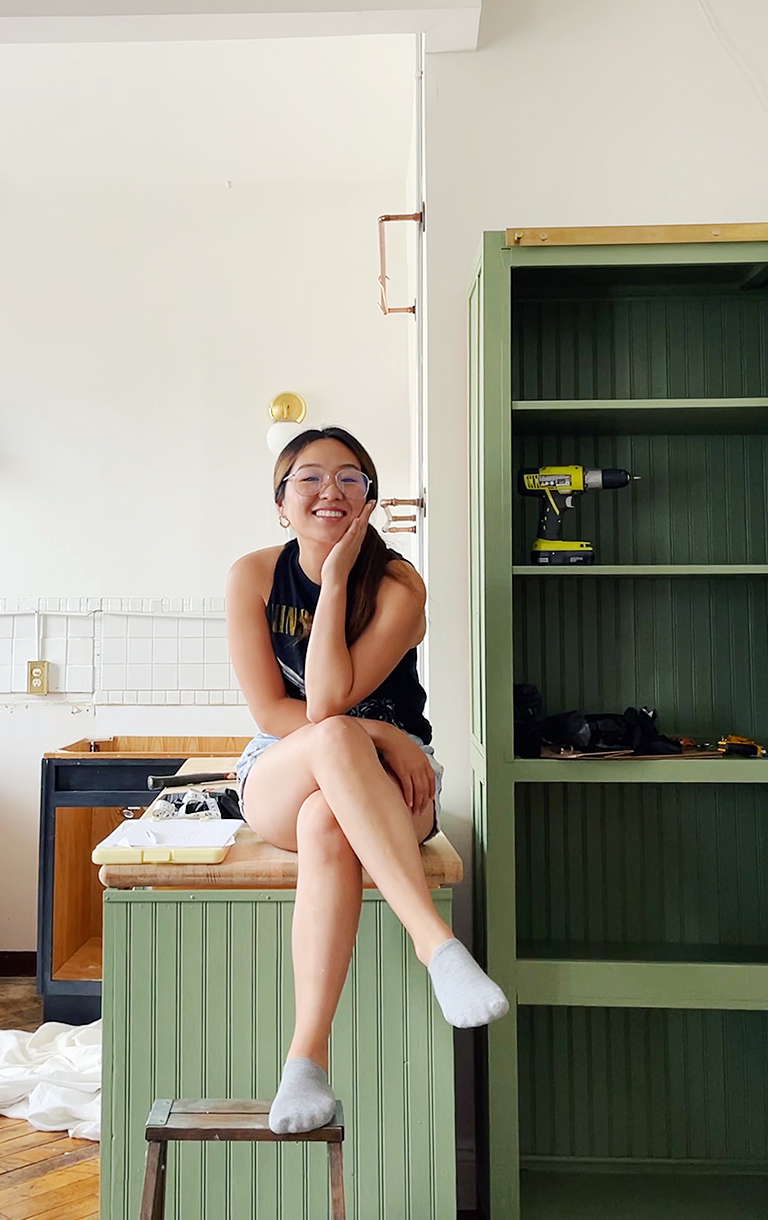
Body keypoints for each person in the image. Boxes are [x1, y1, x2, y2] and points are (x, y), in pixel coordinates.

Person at [226, 426, 508, 1135]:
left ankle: (304, 1061)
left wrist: (347, 575)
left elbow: (328, 704)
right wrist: (376, 729)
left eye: (351, 477)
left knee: (330, 820)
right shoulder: (254, 575)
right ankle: (435, 944)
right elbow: (288, 710)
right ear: (281, 503)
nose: (331, 490)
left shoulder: (400, 585)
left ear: (372, 499)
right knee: (335, 742)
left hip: (387, 784)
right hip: (283, 766)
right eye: (310, 478)